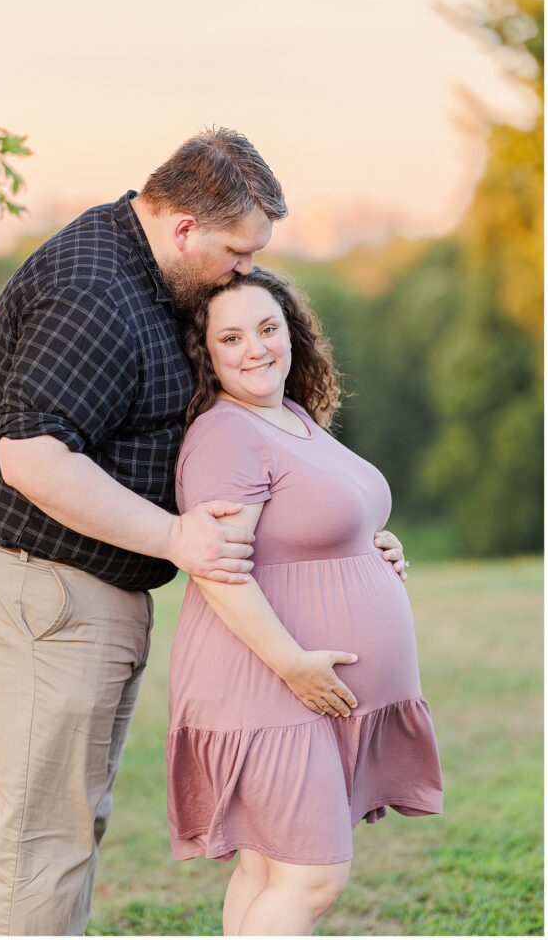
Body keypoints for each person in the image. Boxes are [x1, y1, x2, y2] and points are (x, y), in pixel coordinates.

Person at [0, 128, 287, 936]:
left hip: (76, 591)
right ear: (182, 229)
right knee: (44, 836)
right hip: (43, 591)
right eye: (237, 250)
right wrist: (173, 539)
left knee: (70, 820)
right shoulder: (95, 290)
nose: (245, 269)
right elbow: (31, 456)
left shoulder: (148, 272)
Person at [166, 266, 444, 936]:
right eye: (231, 338)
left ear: (292, 331)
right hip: (264, 682)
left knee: (265, 871)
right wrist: (292, 664)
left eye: (267, 328)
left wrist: (370, 548)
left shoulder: (288, 417)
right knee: (309, 878)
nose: (256, 348)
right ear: (206, 353)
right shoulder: (226, 433)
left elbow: (309, 523)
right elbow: (218, 570)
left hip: (297, 687)